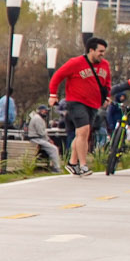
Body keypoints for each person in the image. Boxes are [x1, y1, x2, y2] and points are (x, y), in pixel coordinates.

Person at [47, 37, 112, 176]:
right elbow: (57, 76)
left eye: (104, 51)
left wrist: (107, 96)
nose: (102, 54)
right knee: (83, 131)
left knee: (81, 134)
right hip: (76, 101)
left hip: (94, 103)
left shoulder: (105, 65)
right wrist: (53, 95)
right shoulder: (76, 63)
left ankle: (72, 162)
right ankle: (83, 165)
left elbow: (107, 82)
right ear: (91, 50)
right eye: (100, 51)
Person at [24, 104, 65, 171]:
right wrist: (49, 140)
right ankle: (56, 167)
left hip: (38, 138)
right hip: (36, 139)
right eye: (44, 111)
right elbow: (41, 133)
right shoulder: (37, 119)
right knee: (54, 149)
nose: (46, 112)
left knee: (52, 147)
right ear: (40, 111)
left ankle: (55, 166)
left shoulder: (39, 118)